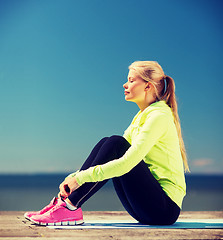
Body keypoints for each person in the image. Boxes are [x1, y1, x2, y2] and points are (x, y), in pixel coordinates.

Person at [24, 61, 189, 226]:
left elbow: (127, 163)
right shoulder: (141, 116)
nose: (125, 84)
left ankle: (70, 207)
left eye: (131, 81)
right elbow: (112, 155)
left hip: (164, 210)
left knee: (116, 144)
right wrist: (73, 178)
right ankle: (65, 204)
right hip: (147, 207)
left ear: (148, 87)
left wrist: (80, 178)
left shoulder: (159, 116)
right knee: (108, 142)